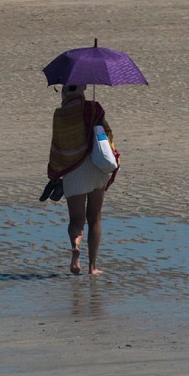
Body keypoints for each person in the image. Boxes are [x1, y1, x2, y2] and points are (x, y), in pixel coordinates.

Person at [47, 83, 118, 276]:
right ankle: (92, 266)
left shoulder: (59, 115)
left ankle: (75, 247)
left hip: (74, 170)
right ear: (82, 90)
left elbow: (57, 145)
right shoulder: (93, 108)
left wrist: (55, 171)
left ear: (64, 92)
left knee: (76, 220)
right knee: (94, 217)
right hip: (96, 167)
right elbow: (107, 136)